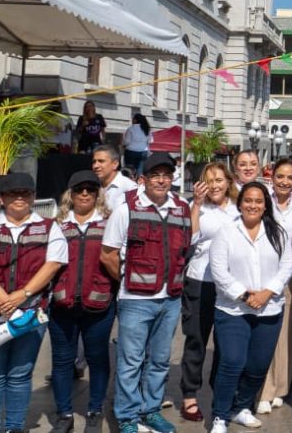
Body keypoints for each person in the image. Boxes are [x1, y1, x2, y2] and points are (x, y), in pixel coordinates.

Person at [0, 172, 67, 433]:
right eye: (12, 193)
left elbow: (53, 264)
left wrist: (21, 295)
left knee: (20, 376)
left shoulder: (49, 227)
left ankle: (14, 427)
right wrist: (3, 299)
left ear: (33, 197)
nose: (19, 197)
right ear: (1, 198)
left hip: (30, 315)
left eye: (25, 193)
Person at [100, 152, 192, 433]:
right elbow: (108, 254)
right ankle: (127, 417)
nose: (162, 180)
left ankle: (150, 410)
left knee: (160, 360)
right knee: (131, 361)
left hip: (171, 299)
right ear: (144, 179)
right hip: (136, 300)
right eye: (155, 175)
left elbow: (185, 250)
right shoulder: (126, 208)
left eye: (167, 175)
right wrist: (129, 279)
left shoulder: (182, 207)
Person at [208, 182, 292, 433]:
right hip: (233, 310)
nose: (253, 205)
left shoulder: (278, 233)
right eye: (248, 200)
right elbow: (219, 271)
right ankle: (220, 415)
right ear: (240, 203)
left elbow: (287, 266)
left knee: (257, 366)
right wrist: (245, 295)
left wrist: (267, 292)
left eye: (258, 201)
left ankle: (242, 407)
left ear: (265, 204)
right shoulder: (227, 232)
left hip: (269, 310)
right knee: (232, 362)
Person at [49, 171, 118, 433]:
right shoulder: (57, 224)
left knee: (97, 358)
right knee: (62, 361)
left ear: (98, 194)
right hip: (61, 305)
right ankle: (64, 414)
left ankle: (94, 410)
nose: (85, 193)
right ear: (70, 194)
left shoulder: (110, 222)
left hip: (99, 305)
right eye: (79, 189)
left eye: (91, 189)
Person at [179, 162, 240, 422]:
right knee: (196, 340)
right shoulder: (198, 208)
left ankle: (222, 392)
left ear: (228, 182)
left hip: (230, 284)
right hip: (200, 280)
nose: (214, 185)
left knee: (226, 344)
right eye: (209, 180)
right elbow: (189, 239)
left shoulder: (239, 209)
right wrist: (195, 204)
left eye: (219, 180)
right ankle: (189, 395)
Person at [257, 159, 292, 414]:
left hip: (291, 276)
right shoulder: (264, 201)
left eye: (289, 177)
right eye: (280, 176)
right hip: (263, 276)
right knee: (265, 335)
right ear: (272, 177)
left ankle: (281, 386)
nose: (284, 181)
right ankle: (264, 388)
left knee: (286, 335)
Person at [91, 145, 136, 211]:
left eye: (101, 161)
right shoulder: (91, 185)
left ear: (115, 164)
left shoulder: (130, 188)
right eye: (94, 162)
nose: (95, 166)